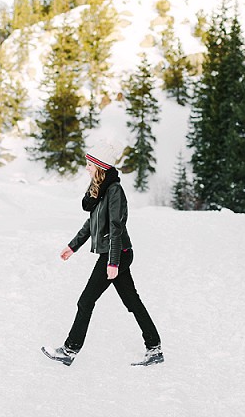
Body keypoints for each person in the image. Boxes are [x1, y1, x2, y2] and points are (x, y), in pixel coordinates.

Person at [41, 140, 163, 367]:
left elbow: (116, 227)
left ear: (100, 166)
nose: (86, 167)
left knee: (86, 301)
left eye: (89, 164)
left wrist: (113, 262)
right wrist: (72, 246)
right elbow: (92, 224)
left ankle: (69, 350)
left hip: (116, 254)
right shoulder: (99, 191)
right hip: (114, 254)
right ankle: (154, 348)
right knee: (132, 302)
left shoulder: (114, 191)